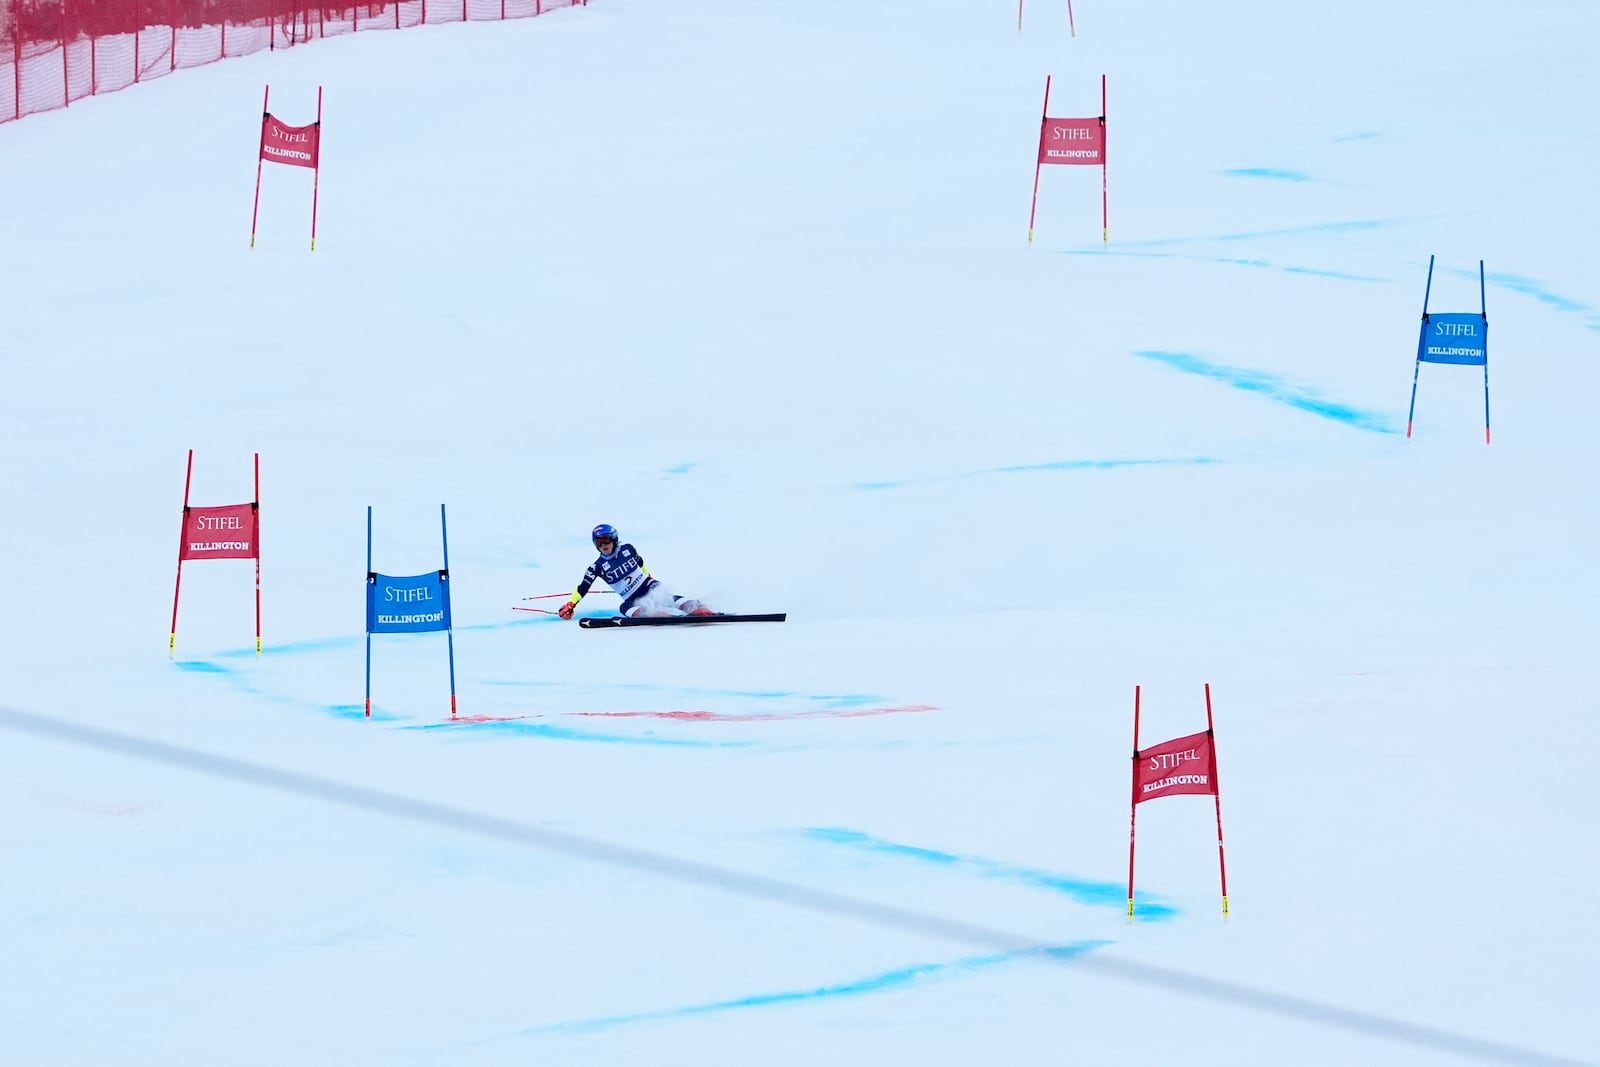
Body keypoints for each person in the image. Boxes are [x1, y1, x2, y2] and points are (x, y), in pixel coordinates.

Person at [557, 524, 716, 620]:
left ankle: (694, 607)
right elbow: (582, 588)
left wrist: (650, 578)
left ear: (614, 539)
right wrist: (571, 604)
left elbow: (640, 563)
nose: (603, 544)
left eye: (606, 540)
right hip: (631, 598)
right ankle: (653, 615)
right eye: (599, 542)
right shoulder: (596, 567)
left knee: (662, 596)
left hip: (647, 585)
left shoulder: (628, 549)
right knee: (624, 608)